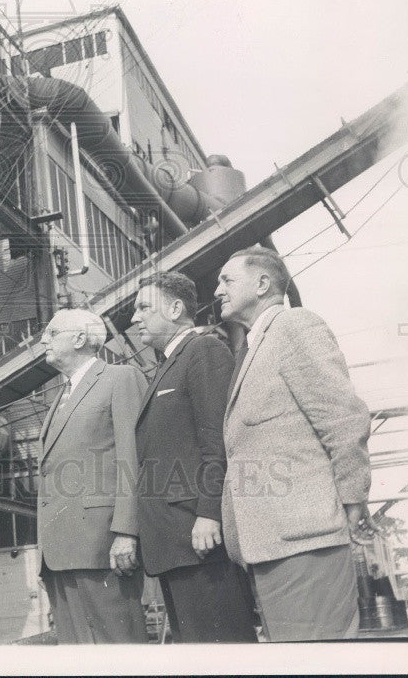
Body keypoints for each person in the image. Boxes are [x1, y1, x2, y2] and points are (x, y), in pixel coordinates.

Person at [215, 246, 374, 642]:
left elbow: (343, 416)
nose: (216, 290)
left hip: (307, 541)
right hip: (270, 546)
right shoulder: (254, 345)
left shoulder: (295, 326)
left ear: (263, 283)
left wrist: (352, 498)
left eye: (227, 280)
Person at [131, 271, 257, 642]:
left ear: (175, 309)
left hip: (197, 537)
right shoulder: (168, 363)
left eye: (142, 307)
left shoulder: (203, 350)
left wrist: (208, 513)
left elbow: (218, 441)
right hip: (175, 542)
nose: (134, 317)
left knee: (221, 649)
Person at [37, 307, 148, 643]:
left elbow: (134, 457)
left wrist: (127, 531)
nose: (43, 340)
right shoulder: (60, 397)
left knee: (118, 649)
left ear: (81, 339)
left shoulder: (120, 378)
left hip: (102, 546)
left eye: (52, 333)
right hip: (59, 552)